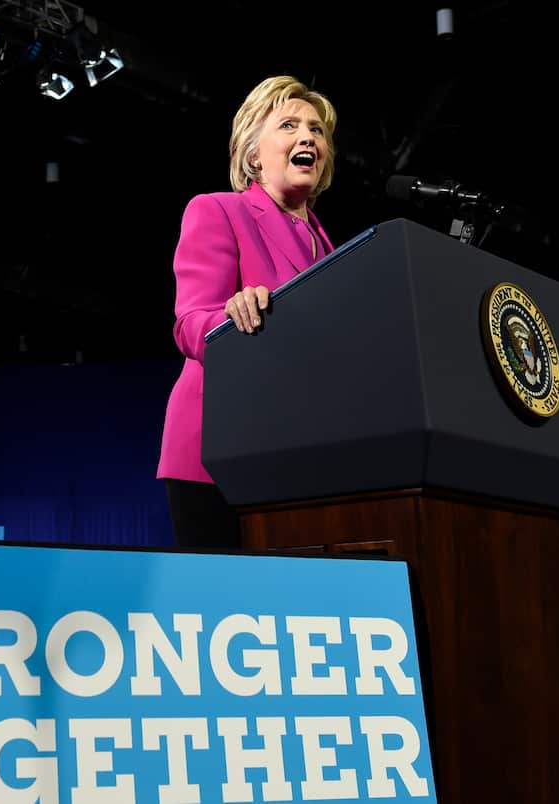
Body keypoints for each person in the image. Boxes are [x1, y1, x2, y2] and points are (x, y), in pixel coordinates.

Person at [157, 75, 337, 547]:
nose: (308, 138)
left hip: (301, 456)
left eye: (317, 131)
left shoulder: (336, 252)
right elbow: (190, 324)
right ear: (254, 153)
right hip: (218, 453)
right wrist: (232, 318)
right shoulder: (218, 210)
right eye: (290, 125)